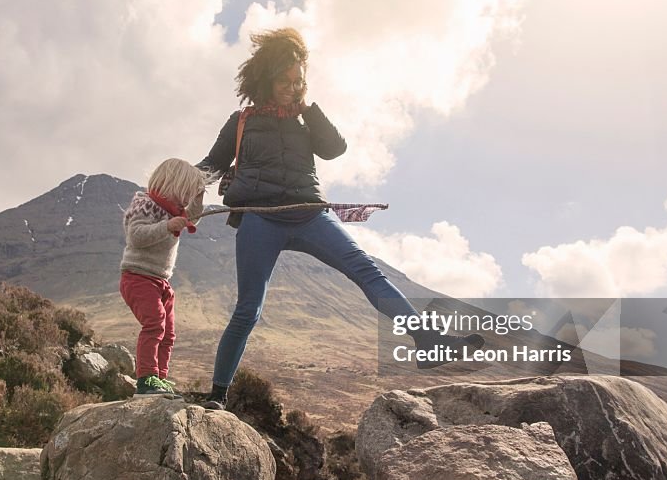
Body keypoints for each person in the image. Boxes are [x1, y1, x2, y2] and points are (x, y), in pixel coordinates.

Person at [196, 28, 482, 410]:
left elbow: (335, 149)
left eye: (298, 81)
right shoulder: (242, 120)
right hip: (260, 219)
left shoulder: (305, 120)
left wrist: (309, 109)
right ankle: (217, 395)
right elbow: (210, 165)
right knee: (249, 308)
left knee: (366, 270)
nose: (292, 87)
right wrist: (174, 186)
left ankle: (428, 342)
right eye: (285, 80)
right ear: (266, 78)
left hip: (310, 214)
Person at [119, 158, 205, 396]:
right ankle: (146, 379)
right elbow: (136, 236)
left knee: (168, 332)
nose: (187, 199)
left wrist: (199, 197)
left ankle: (160, 379)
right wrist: (166, 226)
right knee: (154, 325)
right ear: (174, 185)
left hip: (161, 281)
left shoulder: (173, 210)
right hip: (138, 277)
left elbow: (193, 217)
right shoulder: (145, 205)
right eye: (186, 192)